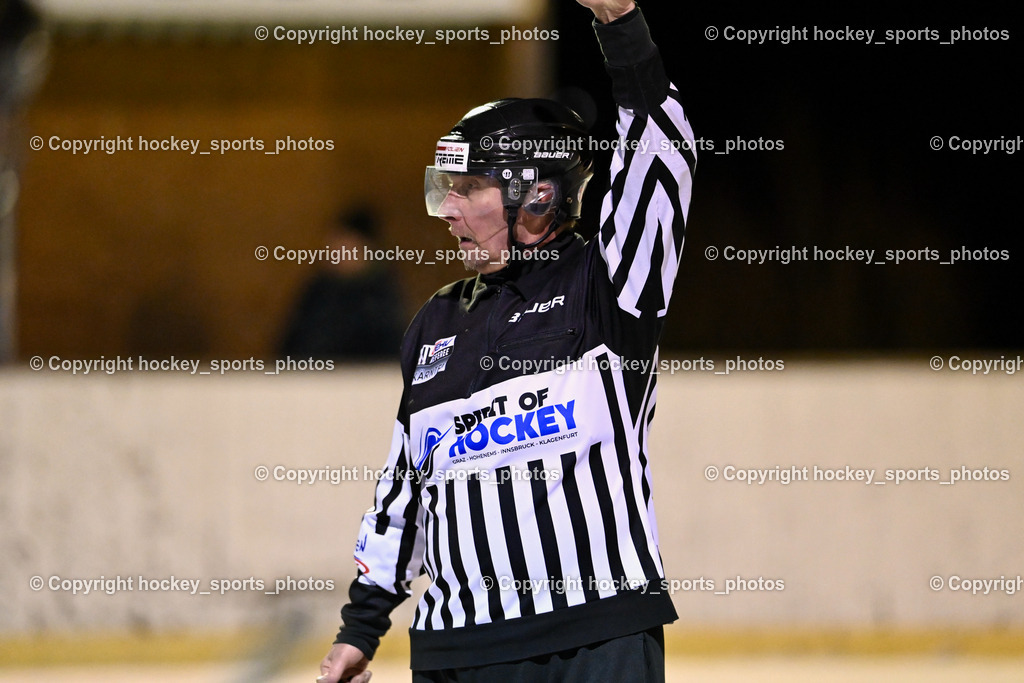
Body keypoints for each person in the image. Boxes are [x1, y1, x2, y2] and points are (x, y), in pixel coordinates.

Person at [318, 0, 695, 680]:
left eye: (468, 189)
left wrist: (622, 27)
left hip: (599, 638)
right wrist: (363, 625)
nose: (449, 210)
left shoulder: (607, 287)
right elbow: (406, 483)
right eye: (447, 190)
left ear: (538, 194)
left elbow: (661, 164)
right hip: (459, 652)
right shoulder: (435, 322)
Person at [278, 206, 405, 360]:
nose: (335, 252)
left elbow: (387, 352)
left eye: (347, 247)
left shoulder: (380, 298)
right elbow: (294, 343)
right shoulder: (319, 290)